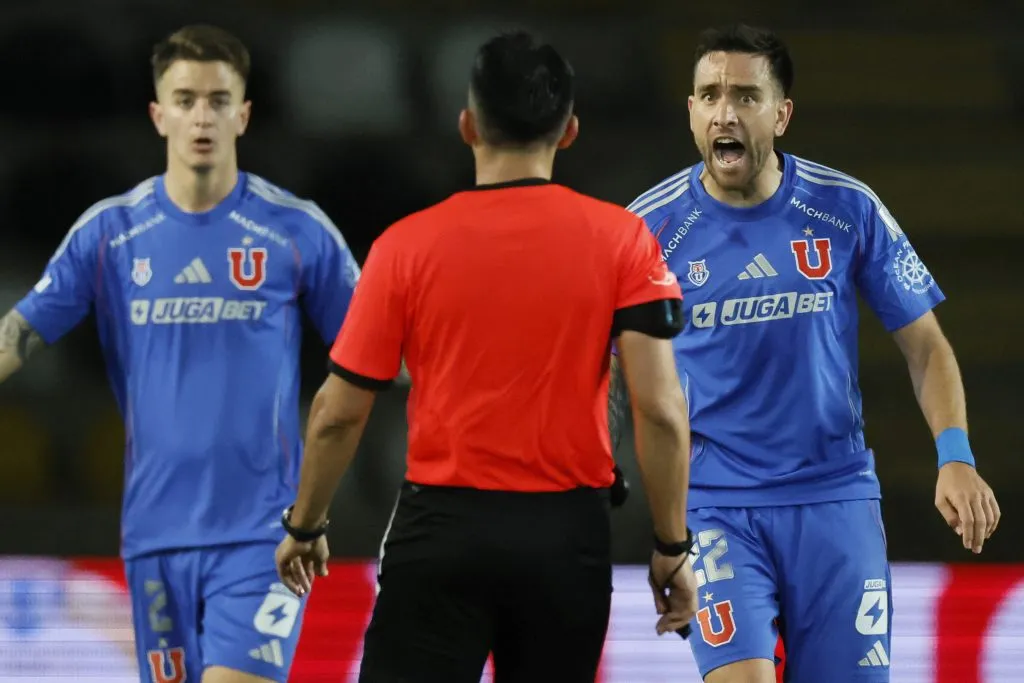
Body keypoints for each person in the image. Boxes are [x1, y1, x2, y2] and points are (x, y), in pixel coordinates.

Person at [274, 30, 697, 683]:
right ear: (570, 131)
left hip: (442, 528)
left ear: (468, 125)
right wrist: (671, 544)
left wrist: (305, 524)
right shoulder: (625, 241)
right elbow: (661, 409)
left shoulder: (404, 247)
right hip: (567, 536)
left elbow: (337, 412)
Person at [608, 23, 1003, 683]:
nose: (724, 112)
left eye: (745, 96)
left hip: (834, 499)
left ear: (782, 113)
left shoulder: (845, 209)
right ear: (690, 112)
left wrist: (955, 455)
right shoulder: (647, 229)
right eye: (708, 95)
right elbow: (598, 362)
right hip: (714, 506)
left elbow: (926, 345)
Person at [0, 24, 362, 683]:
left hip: (265, 536)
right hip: (153, 538)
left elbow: (378, 352)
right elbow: (19, 335)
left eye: (219, 100)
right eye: (186, 98)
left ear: (244, 114)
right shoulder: (111, 232)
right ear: (157, 113)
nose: (203, 115)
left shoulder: (296, 229)